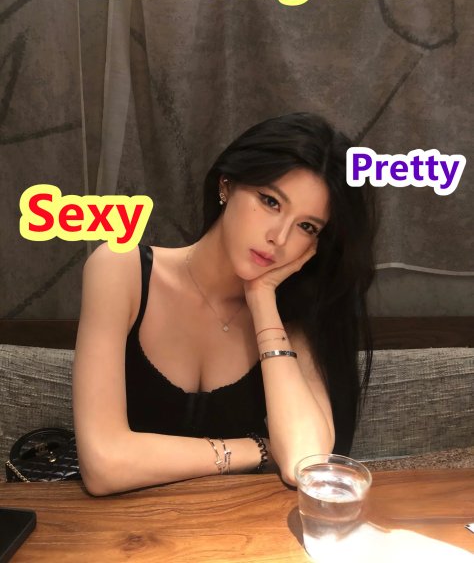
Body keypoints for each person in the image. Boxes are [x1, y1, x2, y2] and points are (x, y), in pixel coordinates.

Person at [73, 112, 376, 496]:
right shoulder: (121, 270)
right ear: (226, 185)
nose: (279, 237)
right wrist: (258, 450)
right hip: (126, 527)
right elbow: (103, 465)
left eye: (306, 226)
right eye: (270, 201)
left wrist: (262, 300)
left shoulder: (293, 316)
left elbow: (305, 463)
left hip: (236, 528)